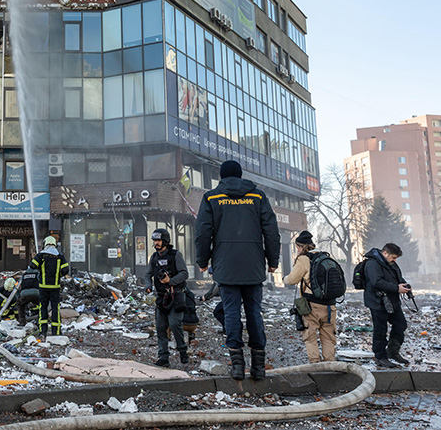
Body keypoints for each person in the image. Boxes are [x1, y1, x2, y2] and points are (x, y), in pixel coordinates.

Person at [195, 160, 280, 381]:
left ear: (221, 177)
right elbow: (271, 230)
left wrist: (202, 261)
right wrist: (273, 261)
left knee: (231, 312)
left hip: (226, 265)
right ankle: (258, 367)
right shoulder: (257, 196)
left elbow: (203, 232)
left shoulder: (211, 197)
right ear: (241, 176)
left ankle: (237, 365)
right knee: (254, 312)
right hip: (253, 265)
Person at [283, 230, 337, 363]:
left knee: (310, 336)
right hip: (330, 305)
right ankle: (330, 364)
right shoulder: (325, 257)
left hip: (312, 305)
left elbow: (292, 279)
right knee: (328, 337)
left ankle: (315, 365)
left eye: (297, 247)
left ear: (301, 247)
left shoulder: (304, 259)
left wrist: (285, 279)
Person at [144, 228, 189, 367]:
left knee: (175, 324)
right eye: (154, 241)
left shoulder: (175, 255)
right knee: (160, 327)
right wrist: (148, 285)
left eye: (158, 240)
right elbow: (147, 274)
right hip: (161, 297)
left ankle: (182, 350)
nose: (156, 243)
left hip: (176, 296)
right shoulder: (154, 257)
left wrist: (170, 281)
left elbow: (184, 274)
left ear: (165, 241)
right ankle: (163, 357)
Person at [363, 242, 411, 368]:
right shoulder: (372, 263)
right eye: (393, 257)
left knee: (401, 324)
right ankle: (380, 357)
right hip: (377, 302)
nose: (394, 260)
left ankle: (392, 352)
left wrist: (405, 286)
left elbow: (398, 278)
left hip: (392, 300)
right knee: (380, 330)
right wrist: (396, 288)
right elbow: (376, 282)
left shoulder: (391, 264)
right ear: (385, 253)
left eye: (395, 258)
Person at [30, 235, 70, 337]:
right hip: (55, 287)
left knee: (43, 307)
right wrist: (58, 275)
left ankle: (43, 331)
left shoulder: (41, 256)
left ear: (45, 244)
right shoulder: (59, 256)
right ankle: (55, 331)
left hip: (43, 287)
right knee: (55, 308)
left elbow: (32, 265)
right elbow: (66, 270)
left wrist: (40, 267)